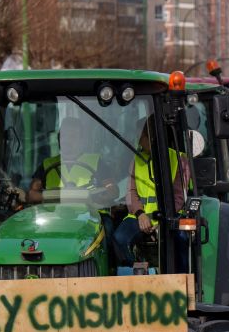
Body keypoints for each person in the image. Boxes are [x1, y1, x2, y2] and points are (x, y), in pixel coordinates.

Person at [112, 118, 189, 271]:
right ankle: (136, 270)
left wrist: (159, 220)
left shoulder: (180, 159)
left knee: (181, 239)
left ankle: (182, 277)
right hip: (139, 217)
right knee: (119, 238)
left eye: (141, 137)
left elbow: (179, 197)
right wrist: (140, 214)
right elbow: (131, 192)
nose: (139, 142)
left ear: (153, 137)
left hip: (170, 216)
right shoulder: (136, 160)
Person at [27, 116, 117, 204]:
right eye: (63, 136)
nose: (67, 141)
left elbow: (112, 191)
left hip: (89, 216)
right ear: (59, 139)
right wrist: (60, 197)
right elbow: (31, 195)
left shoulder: (96, 161)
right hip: (54, 217)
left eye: (72, 136)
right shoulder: (47, 164)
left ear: (82, 140)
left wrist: (97, 197)